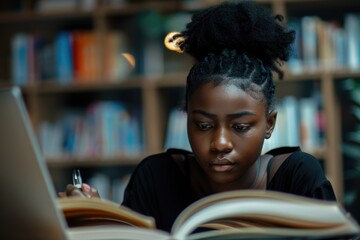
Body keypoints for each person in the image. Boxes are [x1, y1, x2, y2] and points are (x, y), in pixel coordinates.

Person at [59, 0, 336, 233]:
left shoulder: (298, 177)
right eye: (203, 125)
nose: (220, 143)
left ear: (269, 124)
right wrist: (96, 219)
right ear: (186, 118)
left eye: (240, 126)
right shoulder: (156, 178)